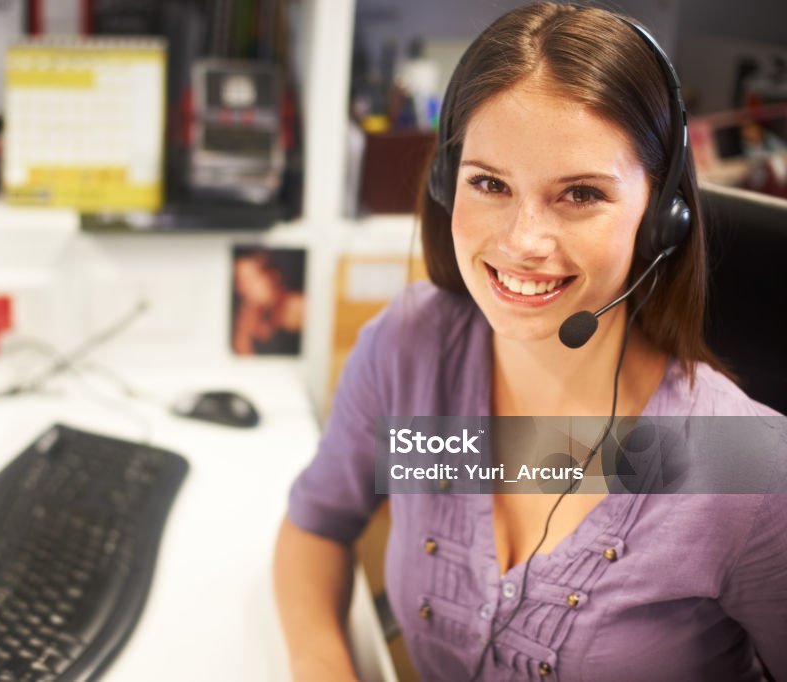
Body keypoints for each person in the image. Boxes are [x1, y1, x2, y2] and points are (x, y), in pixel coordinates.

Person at [273, 4, 786, 681]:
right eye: (489, 183)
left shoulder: (743, 470)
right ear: (445, 182)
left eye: (579, 193)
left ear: (661, 216)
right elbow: (316, 526)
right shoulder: (413, 351)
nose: (523, 242)